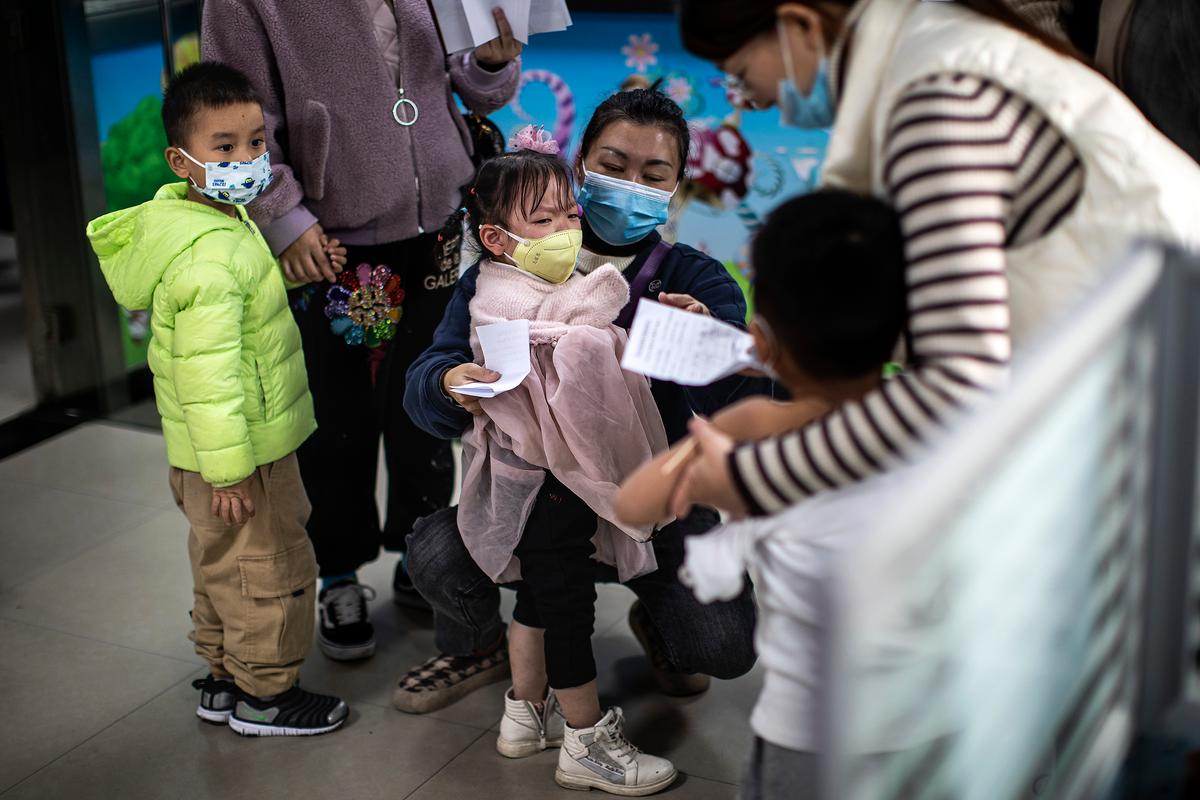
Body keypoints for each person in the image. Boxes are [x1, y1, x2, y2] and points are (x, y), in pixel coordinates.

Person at [670, 0, 1200, 520]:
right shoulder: (936, 59)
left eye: (740, 73)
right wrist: (776, 349)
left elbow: (960, 382)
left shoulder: (937, 101)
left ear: (800, 24)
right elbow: (951, 309)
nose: (752, 101)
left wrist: (757, 473)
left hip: (1151, 409)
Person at [394, 88, 762, 714]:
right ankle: (478, 644)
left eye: (653, 174)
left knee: (723, 647)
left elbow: (734, 396)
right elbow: (426, 379)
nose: (629, 184)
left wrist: (702, 339)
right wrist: (449, 385)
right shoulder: (503, 268)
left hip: (652, 496)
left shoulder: (693, 279)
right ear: (581, 164)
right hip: (531, 492)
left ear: (676, 185)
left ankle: (662, 621)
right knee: (433, 558)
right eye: (613, 166)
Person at [201, 0, 522, 661]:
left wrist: (491, 62)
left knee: (432, 406)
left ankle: (420, 552)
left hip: (437, 223)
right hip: (331, 238)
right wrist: (284, 217)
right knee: (335, 420)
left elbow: (467, 83)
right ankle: (339, 572)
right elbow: (233, 114)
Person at [617, 189, 908, 799]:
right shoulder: (932, 421)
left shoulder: (757, 435)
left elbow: (632, 505)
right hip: (934, 719)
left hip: (805, 731)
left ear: (763, 329)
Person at [86, 63, 349, 736]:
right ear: (182, 158)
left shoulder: (201, 220)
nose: (247, 158)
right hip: (243, 454)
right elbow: (210, 374)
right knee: (271, 566)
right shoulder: (210, 258)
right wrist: (230, 470)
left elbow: (235, 329)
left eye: (257, 142)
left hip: (203, 453)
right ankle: (267, 694)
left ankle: (223, 677)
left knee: (220, 567)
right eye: (224, 147)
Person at [454, 130, 677, 795]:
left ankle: (523, 718)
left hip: (539, 483)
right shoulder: (508, 299)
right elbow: (570, 377)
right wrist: (593, 340)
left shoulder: (549, 283)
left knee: (536, 602)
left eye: (568, 214)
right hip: (546, 482)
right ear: (497, 241)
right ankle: (585, 741)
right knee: (568, 606)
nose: (564, 229)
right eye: (542, 220)